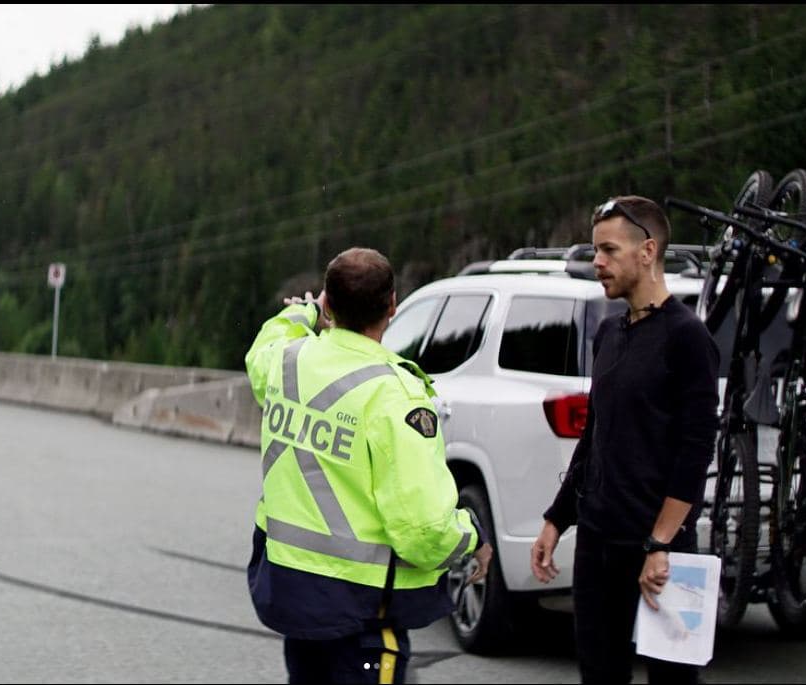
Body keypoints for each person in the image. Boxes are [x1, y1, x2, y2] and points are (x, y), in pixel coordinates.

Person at [245, 247, 493, 684]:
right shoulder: (396, 394)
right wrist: (471, 540)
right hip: (362, 612)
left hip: (295, 595)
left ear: (329, 303)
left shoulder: (286, 363)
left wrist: (303, 314)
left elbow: (263, 346)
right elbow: (423, 529)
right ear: (393, 306)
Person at [530, 196, 719, 684]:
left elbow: (695, 451)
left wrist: (661, 542)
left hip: (663, 549)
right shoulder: (610, 332)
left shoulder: (688, 337)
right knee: (599, 674)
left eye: (609, 250)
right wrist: (557, 519)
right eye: (596, 250)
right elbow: (594, 437)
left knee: (672, 681)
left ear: (648, 251)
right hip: (599, 542)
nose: (598, 262)